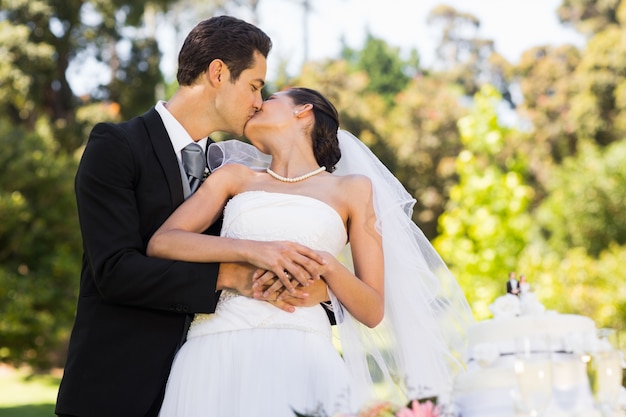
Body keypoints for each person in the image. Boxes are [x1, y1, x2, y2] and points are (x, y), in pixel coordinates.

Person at [55, 17, 330, 417]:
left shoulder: (234, 172)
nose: (258, 101)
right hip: (115, 391)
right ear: (218, 72)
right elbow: (115, 271)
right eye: (254, 85)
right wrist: (228, 275)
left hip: (210, 392)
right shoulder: (116, 146)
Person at [147, 87, 474, 416]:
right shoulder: (234, 178)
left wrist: (329, 269)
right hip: (215, 348)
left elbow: (373, 309)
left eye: (269, 98)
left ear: (302, 111)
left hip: (300, 350)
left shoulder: (353, 189)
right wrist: (255, 251)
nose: (256, 103)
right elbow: (163, 242)